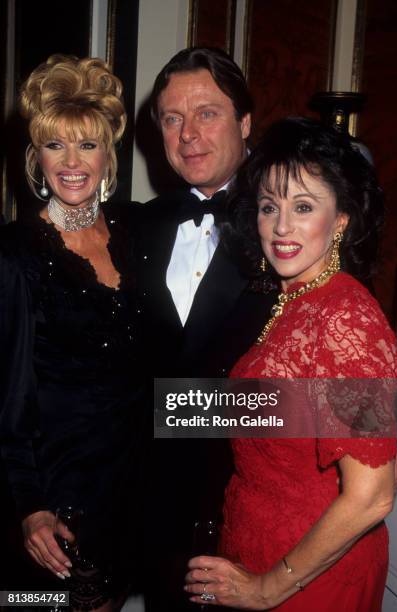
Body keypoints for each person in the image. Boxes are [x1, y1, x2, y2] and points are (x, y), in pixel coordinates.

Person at [184, 117, 397, 611]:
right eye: (269, 206)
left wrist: (268, 588)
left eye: (303, 207)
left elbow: (372, 495)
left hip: (307, 581)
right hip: (255, 551)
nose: (281, 227)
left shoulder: (347, 317)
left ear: (341, 219)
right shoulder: (294, 301)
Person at [0, 55, 143, 611]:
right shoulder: (15, 254)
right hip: (59, 501)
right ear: (37, 156)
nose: (72, 161)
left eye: (87, 144)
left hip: (132, 489)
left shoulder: (137, 233)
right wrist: (30, 507)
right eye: (55, 145)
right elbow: (7, 403)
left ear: (109, 154)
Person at [137, 47, 276, 611]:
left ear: (245, 123)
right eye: (173, 118)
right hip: (152, 516)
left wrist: (175, 411)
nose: (188, 134)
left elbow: (360, 407)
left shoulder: (292, 224)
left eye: (207, 113)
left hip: (249, 516)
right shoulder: (140, 226)